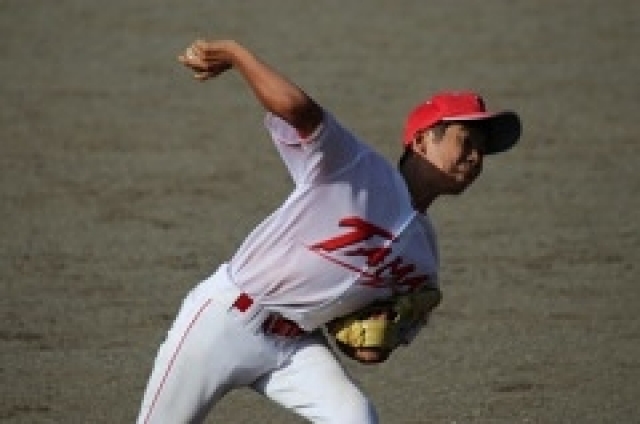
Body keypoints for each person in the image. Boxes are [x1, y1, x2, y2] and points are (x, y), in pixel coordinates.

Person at [136, 39, 521, 424]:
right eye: (466, 141)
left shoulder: (424, 262)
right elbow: (296, 109)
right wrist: (235, 54)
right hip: (224, 321)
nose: (475, 157)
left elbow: (368, 353)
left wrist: (377, 337)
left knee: (356, 418)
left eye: (482, 150)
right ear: (421, 140)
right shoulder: (356, 167)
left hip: (293, 346)